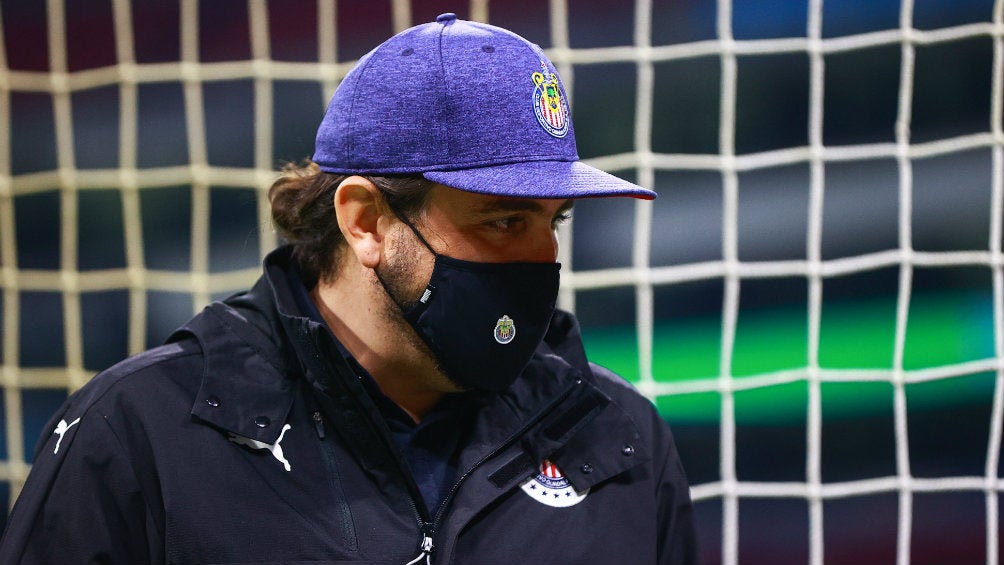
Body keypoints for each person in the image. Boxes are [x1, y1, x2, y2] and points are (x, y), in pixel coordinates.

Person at [0, 14, 699, 565]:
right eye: (505, 220)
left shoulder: (618, 439)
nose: (542, 258)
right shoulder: (143, 435)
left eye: (555, 222)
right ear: (365, 220)